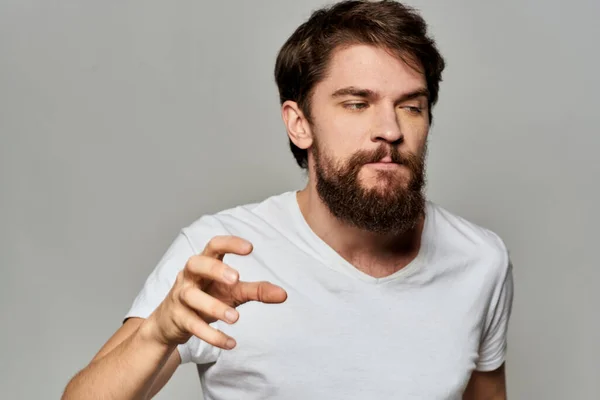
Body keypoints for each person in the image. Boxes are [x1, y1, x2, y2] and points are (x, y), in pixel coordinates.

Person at [62, 1, 514, 399]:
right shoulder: (219, 252)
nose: (391, 131)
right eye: (357, 103)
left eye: (410, 106)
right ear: (300, 124)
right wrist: (157, 333)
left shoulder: (479, 259)